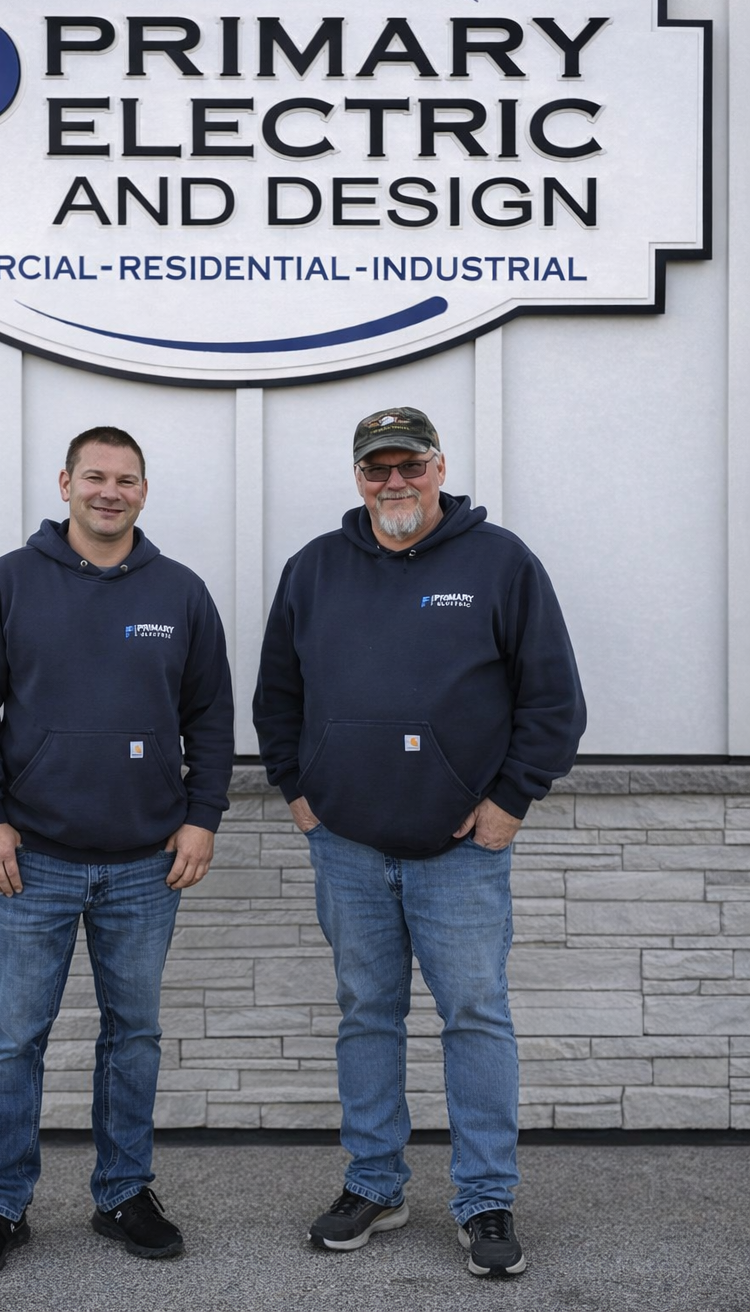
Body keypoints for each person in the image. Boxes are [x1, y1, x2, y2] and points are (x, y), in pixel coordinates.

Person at [253, 405, 585, 1279]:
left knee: (475, 1016)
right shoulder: (314, 569)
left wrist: (511, 800)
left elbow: (554, 701)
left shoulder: (500, 562)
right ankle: (376, 1183)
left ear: (439, 467)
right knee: (367, 1015)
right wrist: (298, 791)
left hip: (462, 850)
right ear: (357, 476)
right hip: (348, 846)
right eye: (376, 469)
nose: (393, 483)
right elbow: (275, 696)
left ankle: (484, 1200)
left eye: (410, 466)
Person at [0, 425, 234, 1274]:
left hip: (147, 862)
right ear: (66, 482)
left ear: (146, 491)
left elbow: (210, 716)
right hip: (31, 857)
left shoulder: (180, 593)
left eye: (128, 479)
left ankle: (122, 1195)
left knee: (133, 1034)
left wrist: (202, 815)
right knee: (14, 1038)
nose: (111, 491)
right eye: (96, 477)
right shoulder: (8, 584)